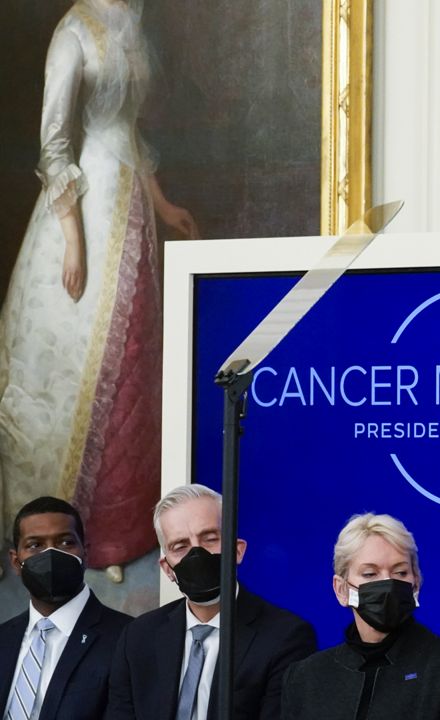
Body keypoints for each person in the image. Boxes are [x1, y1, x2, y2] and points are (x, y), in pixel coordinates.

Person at [0, 0, 198, 583]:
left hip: (130, 203)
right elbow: (55, 143)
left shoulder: (131, 20)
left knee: (133, 361)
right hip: (84, 209)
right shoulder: (73, 30)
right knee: (78, 369)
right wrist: (72, 238)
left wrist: (161, 204)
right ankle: (65, 533)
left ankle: (123, 532)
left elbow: (129, 128)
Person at [106, 485, 314, 719]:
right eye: (180, 546)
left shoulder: (285, 637)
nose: (197, 554)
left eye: (210, 539)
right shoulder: (138, 637)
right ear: (167, 568)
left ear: (237, 551)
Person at [281, 513, 440, 720]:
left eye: (400, 572)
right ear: (341, 589)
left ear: (417, 582)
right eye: (369, 574)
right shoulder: (304, 677)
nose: (387, 583)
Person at [0, 496, 132, 719]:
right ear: (16, 562)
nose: (51, 554)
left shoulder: (128, 638)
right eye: (35, 545)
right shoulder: (3, 638)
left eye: (65, 543)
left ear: (85, 553)